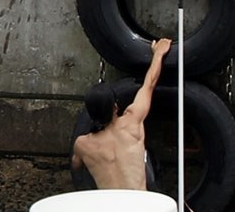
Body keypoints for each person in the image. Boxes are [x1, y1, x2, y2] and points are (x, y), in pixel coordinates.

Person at [71, 38, 172, 190]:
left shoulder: (82, 145)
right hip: (140, 209)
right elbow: (149, 84)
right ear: (116, 107)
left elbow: (76, 165)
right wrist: (159, 53)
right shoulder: (132, 122)